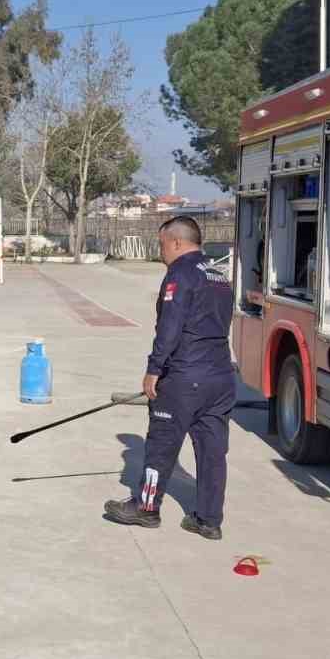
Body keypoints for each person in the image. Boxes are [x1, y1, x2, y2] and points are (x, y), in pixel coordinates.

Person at [104, 216, 235, 541]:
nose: (161, 251)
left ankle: (146, 509)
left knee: (161, 444)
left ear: (176, 242)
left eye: (162, 244)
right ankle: (208, 519)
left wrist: (154, 369)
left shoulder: (180, 273)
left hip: (184, 376)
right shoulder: (219, 275)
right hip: (220, 375)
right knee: (212, 451)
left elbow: (170, 328)